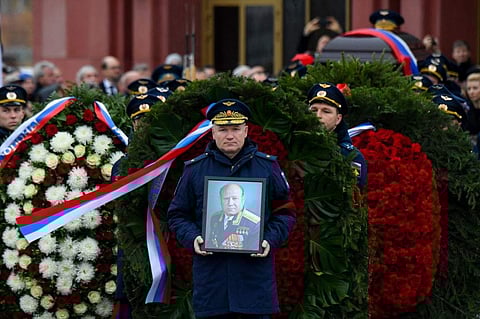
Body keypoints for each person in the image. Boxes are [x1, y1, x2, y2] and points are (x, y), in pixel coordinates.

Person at [167, 98, 296, 318]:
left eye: (235, 129)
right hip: (212, 283)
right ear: (212, 132)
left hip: (254, 282)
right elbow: (177, 215)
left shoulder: (267, 166)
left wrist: (269, 240)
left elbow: (286, 212)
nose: (229, 135)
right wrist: (194, 238)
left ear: (246, 131)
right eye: (223, 129)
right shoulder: (194, 170)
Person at [307, 82, 367, 187]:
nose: (318, 116)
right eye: (313, 110)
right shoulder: (293, 146)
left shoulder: (350, 156)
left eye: (326, 111)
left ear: (338, 119)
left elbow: (352, 194)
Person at [207, 183, 261, 251]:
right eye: (226, 198)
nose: (230, 203)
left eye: (235, 198)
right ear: (220, 199)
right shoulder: (215, 218)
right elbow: (211, 244)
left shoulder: (255, 223)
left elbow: (253, 253)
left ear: (243, 199)